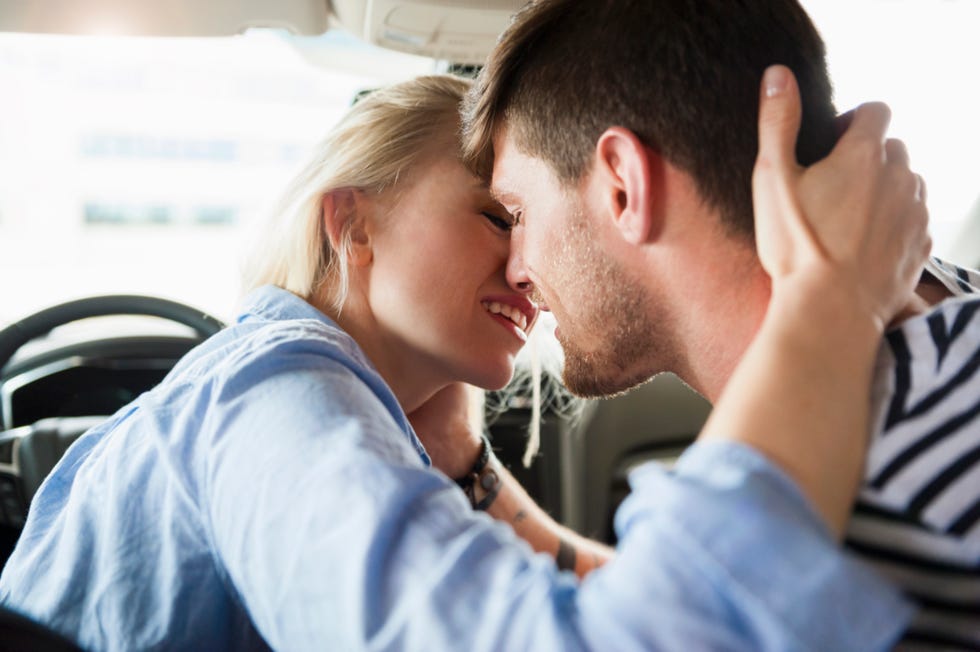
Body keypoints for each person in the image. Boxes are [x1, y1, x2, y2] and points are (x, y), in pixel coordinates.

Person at [0, 64, 927, 650]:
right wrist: (831, 302)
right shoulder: (275, 392)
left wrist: (464, 464)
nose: (530, 268)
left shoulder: (352, 409)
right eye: (499, 218)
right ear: (351, 222)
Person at [461, 0, 978, 648]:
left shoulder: (873, 515)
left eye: (517, 211)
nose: (515, 269)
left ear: (623, 186)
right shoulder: (940, 295)